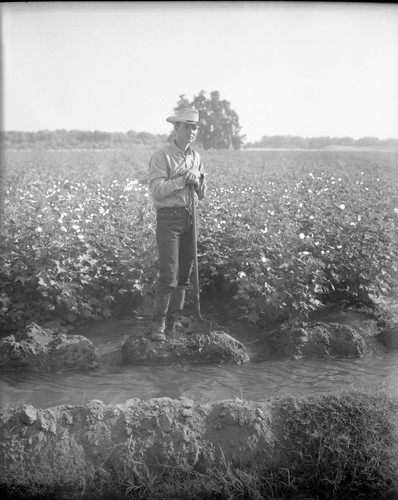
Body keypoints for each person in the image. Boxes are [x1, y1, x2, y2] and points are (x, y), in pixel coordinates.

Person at [148, 108, 207, 341]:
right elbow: (157, 190)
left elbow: (202, 194)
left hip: (191, 218)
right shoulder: (162, 156)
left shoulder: (197, 158)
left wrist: (199, 178)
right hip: (168, 219)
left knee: (184, 274)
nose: (191, 132)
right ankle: (158, 326)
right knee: (169, 274)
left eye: (194, 128)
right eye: (186, 127)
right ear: (176, 128)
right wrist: (184, 178)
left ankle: (173, 323)